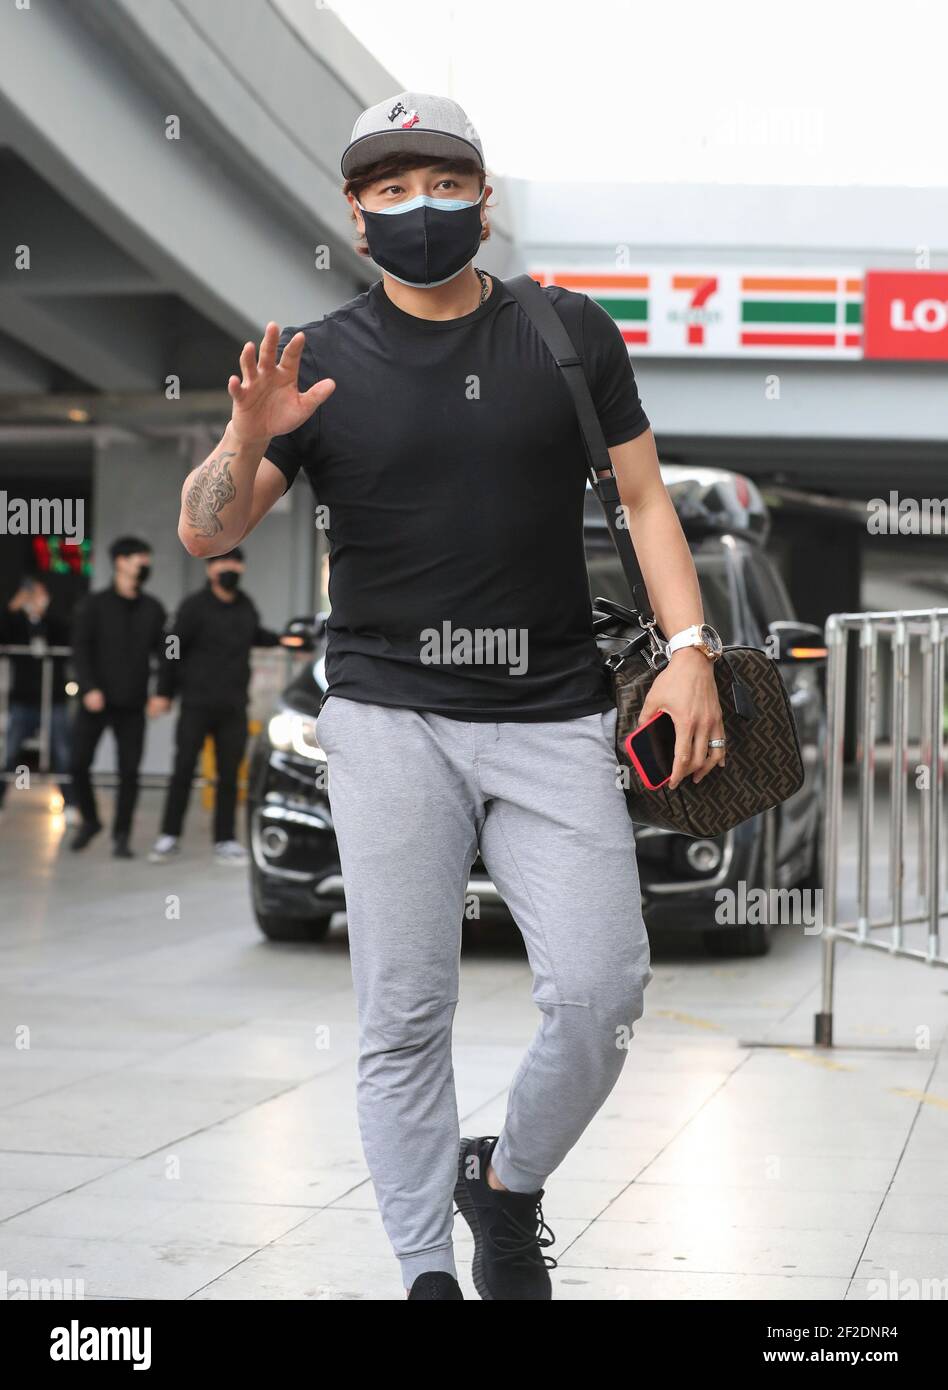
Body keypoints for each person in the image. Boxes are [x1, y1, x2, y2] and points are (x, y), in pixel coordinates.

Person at [174, 93, 726, 1300]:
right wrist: (240, 436)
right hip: (386, 715)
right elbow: (203, 524)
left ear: (483, 198)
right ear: (356, 218)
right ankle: (427, 1270)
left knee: (600, 989)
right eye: (387, 189)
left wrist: (690, 647)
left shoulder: (569, 333)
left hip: (553, 712)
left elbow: (641, 503)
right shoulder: (317, 363)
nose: (416, 207)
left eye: (440, 183)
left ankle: (507, 1181)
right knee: (404, 1012)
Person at [148, 548, 285, 866]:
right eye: (223, 562)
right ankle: (169, 836)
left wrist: (287, 640)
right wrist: (163, 693)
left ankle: (225, 839)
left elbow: (257, 636)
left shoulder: (245, 605)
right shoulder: (193, 607)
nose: (231, 567)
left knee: (228, 775)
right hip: (196, 703)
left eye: (236, 562)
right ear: (210, 569)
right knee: (183, 769)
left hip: (234, 705)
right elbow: (172, 648)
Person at [70, 537, 168, 858]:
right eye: (140, 558)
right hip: (96, 701)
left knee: (129, 772)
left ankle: (122, 835)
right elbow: (80, 649)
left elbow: (167, 654)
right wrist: (89, 687)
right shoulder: (93, 605)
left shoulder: (153, 609)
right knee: (77, 763)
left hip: (133, 703)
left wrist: (162, 693)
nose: (145, 565)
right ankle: (90, 820)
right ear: (120, 562)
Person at [0, 576, 75, 816]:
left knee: (62, 751)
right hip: (23, 699)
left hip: (53, 698)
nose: (37, 599)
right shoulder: (15, 623)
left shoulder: (55, 623)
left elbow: (66, 639)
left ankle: (71, 803)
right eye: (32, 594)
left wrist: (42, 616)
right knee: (9, 751)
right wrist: (14, 606)